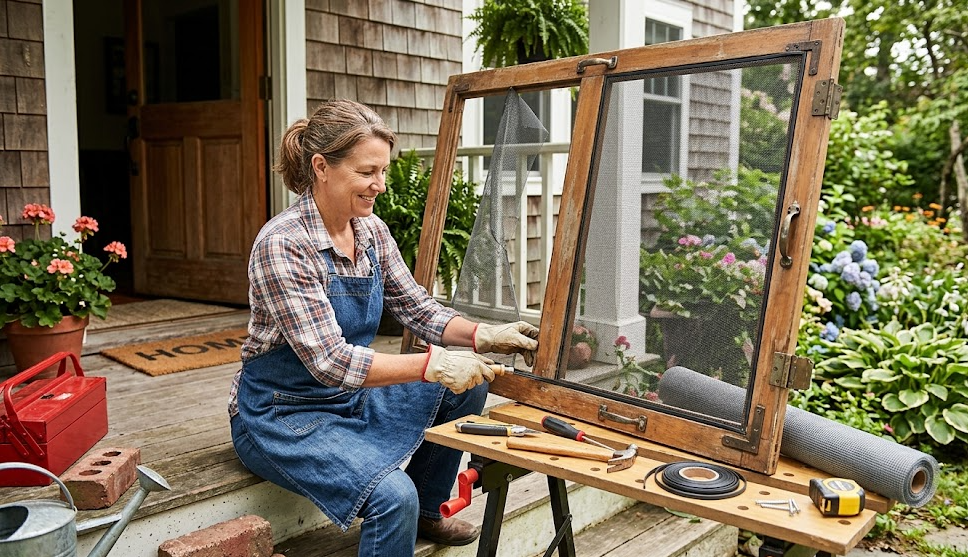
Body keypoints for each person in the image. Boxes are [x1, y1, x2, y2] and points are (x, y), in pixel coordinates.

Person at [228, 99, 538, 556]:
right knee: (393, 498)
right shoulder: (284, 245)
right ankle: (406, 510)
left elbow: (417, 307)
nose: (380, 185)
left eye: (384, 171)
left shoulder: (369, 230)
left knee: (467, 387)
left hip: (348, 397)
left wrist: (484, 335)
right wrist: (432, 365)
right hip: (281, 413)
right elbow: (331, 362)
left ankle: (428, 512)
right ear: (321, 167)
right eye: (367, 172)